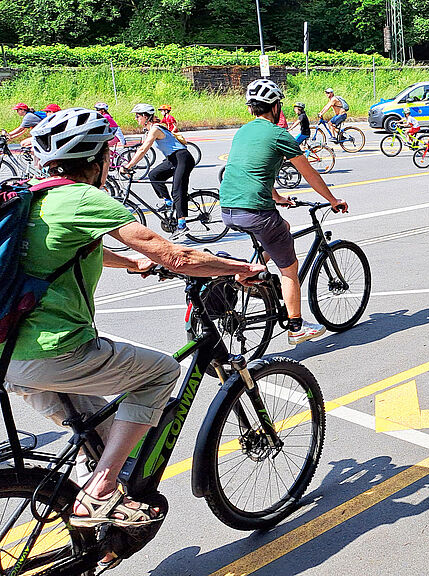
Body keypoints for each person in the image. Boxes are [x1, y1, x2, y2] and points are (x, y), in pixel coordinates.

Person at [3, 108, 264, 552]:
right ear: (99, 159)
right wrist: (242, 268)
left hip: (9, 357)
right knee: (160, 372)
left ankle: (93, 529)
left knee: (99, 438)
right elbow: (179, 257)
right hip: (56, 353)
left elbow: (65, 249)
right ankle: (100, 492)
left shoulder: (32, 199)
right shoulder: (86, 199)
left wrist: (133, 261)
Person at [220, 79, 349, 345]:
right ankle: (296, 327)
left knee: (284, 228)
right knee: (289, 269)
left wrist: (277, 197)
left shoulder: (241, 132)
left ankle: (252, 271)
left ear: (251, 109)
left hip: (228, 208)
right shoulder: (280, 135)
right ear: (276, 106)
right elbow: (310, 173)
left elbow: (253, 172)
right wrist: (333, 200)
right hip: (256, 211)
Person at [122, 103, 194, 240]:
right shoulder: (151, 129)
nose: (136, 119)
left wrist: (129, 165)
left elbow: (143, 150)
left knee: (178, 190)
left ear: (145, 116)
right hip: (173, 159)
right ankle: (168, 202)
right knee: (154, 175)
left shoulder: (155, 129)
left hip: (182, 158)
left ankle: (182, 225)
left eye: (137, 116)